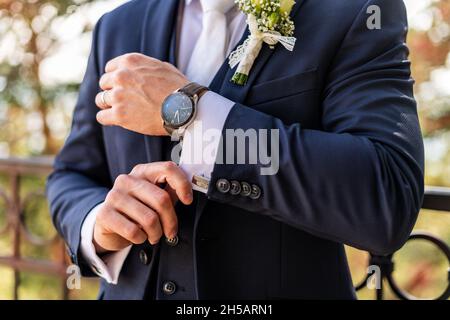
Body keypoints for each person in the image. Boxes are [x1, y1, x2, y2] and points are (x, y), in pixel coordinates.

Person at [47, 0, 424, 299]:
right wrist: (98, 223)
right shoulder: (118, 25)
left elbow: (387, 195)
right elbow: (72, 174)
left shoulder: (358, 10)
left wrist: (190, 115)